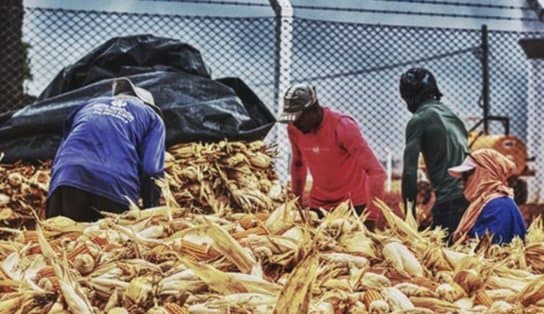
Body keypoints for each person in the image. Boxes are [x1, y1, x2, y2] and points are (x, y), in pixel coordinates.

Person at [47, 77, 166, 222]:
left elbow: (60, 154)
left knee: (63, 241)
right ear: (148, 105)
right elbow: (151, 169)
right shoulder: (152, 117)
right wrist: (150, 211)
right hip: (115, 186)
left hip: (66, 179)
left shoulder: (86, 106)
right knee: (114, 243)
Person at [278, 83, 386, 229]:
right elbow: (298, 163)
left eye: (298, 118)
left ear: (313, 110)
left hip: (352, 207)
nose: (294, 123)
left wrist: (370, 218)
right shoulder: (294, 128)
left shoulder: (343, 126)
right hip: (318, 206)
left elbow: (376, 172)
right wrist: (295, 203)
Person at [399, 67, 469, 238]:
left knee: (440, 260)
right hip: (470, 198)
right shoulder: (452, 116)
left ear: (409, 96)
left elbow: (409, 172)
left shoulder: (419, 120)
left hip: (450, 204)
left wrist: (410, 216)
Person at [448, 149, 527, 244]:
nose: (462, 182)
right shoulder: (484, 203)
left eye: (467, 174)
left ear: (486, 173)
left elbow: (492, 250)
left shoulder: (499, 207)